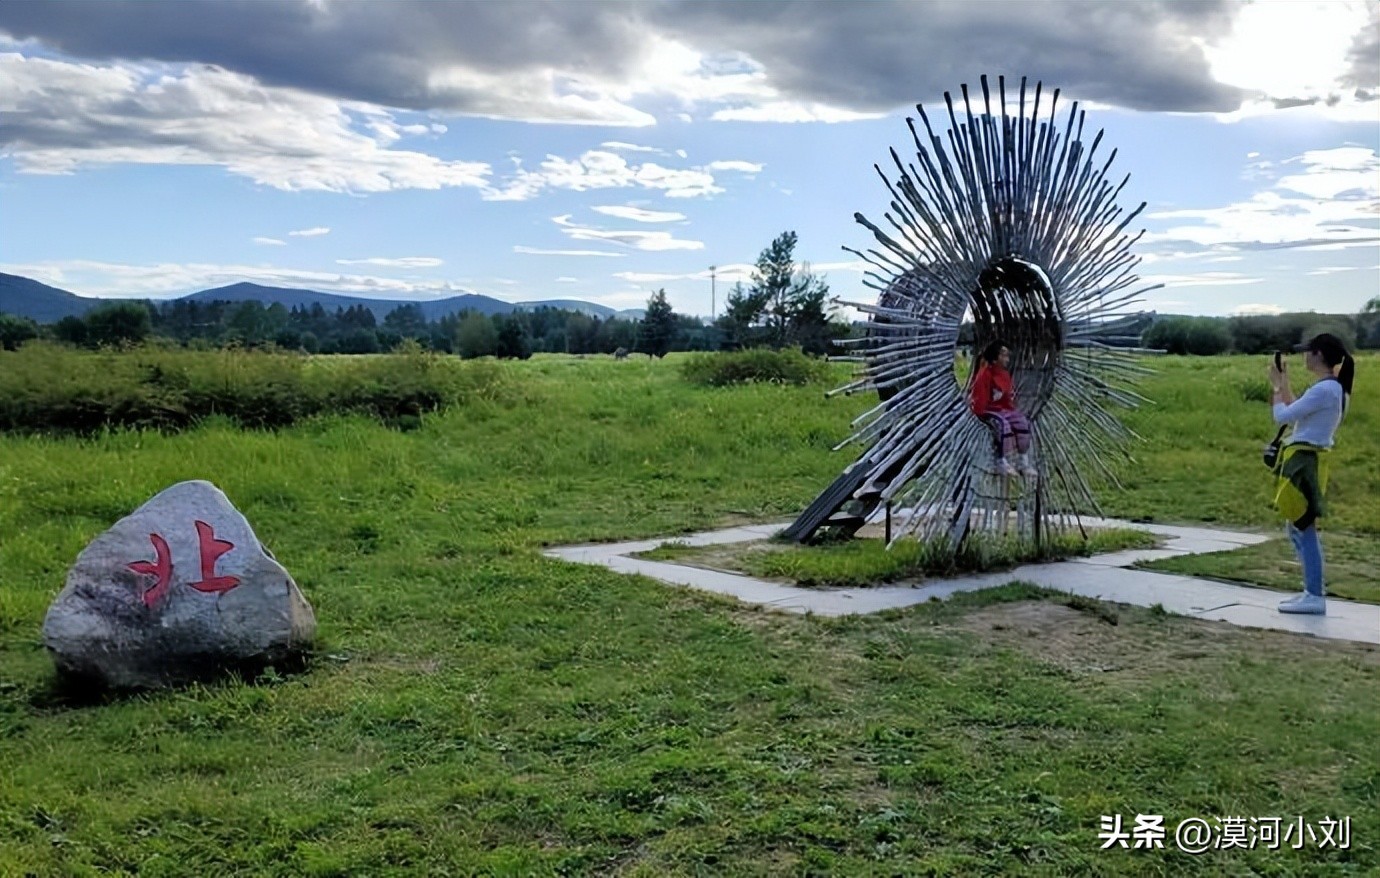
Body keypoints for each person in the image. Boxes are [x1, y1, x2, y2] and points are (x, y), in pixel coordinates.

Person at [1267, 332, 1355, 615]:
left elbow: (1282, 415)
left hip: (1305, 461)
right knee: (1297, 527)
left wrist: (1276, 388)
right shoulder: (1331, 389)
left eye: (1308, 352)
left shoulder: (1324, 390)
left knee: (1303, 528)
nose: (1305, 356)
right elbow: (1297, 410)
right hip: (1308, 459)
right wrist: (1284, 385)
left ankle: (1314, 594)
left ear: (1318, 355)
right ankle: (1310, 591)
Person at [970, 340, 1037, 478]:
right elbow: (979, 397)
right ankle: (1001, 461)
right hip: (990, 410)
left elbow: (1008, 397)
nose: (1007, 359)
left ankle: (1023, 462)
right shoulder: (984, 374)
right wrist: (981, 414)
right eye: (1004, 355)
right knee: (1003, 426)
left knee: (1023, 423)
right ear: (995, 358)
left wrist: (1012, 411)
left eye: (1007, 356)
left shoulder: (1005, 375)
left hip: (1005, 410)